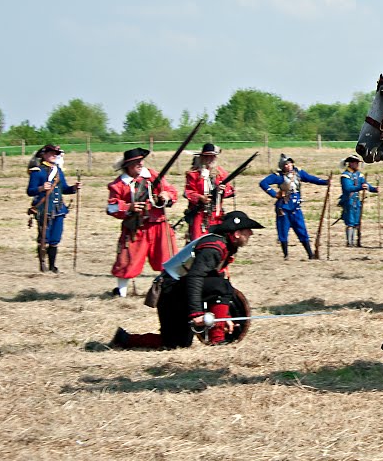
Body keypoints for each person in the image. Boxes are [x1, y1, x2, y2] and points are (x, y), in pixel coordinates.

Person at [110, 210, 264, 349]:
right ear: (236, 233)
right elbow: (195, 278)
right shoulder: (213, 247)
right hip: (170, 291)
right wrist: (196, 313)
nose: (251, 233)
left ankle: (125, 339)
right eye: (247, 230)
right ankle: (217, 339)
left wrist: (224, 318)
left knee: (177, 343)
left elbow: (208, 282)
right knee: (222, 286)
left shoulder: (223, 245)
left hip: (177, 290)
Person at [106, 148, 180, 297]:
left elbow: (171, 192)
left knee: (167, 258)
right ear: (127, 165)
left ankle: (169, 290)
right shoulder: (118, 185)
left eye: (141, 161)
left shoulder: (152, 176)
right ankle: (122, 293)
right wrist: (129, 207)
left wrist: (165, 197)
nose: (140, 164)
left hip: (158, 224)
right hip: (135, 228)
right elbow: (111, 207)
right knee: (127, 260)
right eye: (135, 162)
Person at [258, 154, 329, 259]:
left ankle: (310, 254)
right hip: (284, 207)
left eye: (289, 163)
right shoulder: (278, 176)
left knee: (302, 230)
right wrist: (274, 194)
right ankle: (286, 255)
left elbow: (311, 179)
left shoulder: (298, 173)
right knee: (283, 231)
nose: (288, 166)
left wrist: (325, 182)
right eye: (286, 164)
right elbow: (263, 183)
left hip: (296, 207)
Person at [26, 144, 81, 273]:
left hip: (59, 209)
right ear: (44, 154)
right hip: (44, 209)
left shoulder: (58, 171)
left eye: (56, 153)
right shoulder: (37, 171)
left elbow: (64, 189)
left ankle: (52, 265)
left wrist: (73, 188)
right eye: (51, 153)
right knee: (44, 238)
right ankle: (42, 264)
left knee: (55, 238)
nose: (54, 155)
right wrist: (40, 188)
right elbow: (30, 191)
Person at [182, 143, 235, 241]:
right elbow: (188, 192)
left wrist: (223, 190)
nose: (210, 159)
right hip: (199, 214)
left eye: (212, 156)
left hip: (217, 215)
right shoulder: (193, 174)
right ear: (202, 157)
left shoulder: (221, 173)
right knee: (197, 242)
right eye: (207, 156)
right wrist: (200, 198)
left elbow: (230, 190)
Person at [338, 154, 378, 247]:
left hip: (357, 201)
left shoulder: (359, 175)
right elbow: (348, 188)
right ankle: (350, 242)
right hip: (348, 201)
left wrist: (374, 189)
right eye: (356, 163)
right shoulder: (345, 176)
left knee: (357, 222)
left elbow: (366, 185)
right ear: (351, 163)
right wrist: (360, 187)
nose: (357, 165)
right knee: (350, 222)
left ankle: (357, 241)